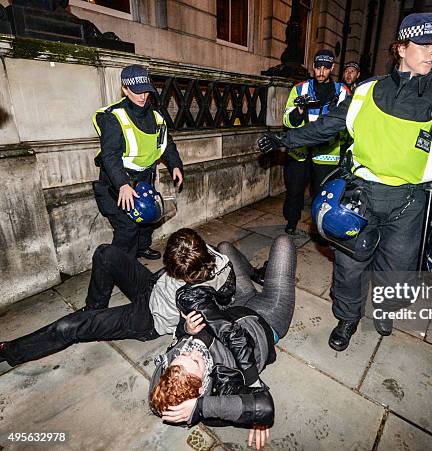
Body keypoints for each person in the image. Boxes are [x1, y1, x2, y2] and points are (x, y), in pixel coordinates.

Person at [259, 13, 432, 351]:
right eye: (424, 44)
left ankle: (385, 309)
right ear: (400, 48)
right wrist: (284, 140)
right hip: (362, 196)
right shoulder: (367, 91)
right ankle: (347, 318)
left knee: (396, 272)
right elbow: (328, 125)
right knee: (350, 268)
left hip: (411, 203)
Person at [0, 228, 234, 367]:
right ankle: (94, 308)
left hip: (148, 318)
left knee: (68, 327)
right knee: (105, 253)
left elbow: (209, 329)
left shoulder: (202, 295)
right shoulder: (201, 250)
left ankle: (9, 351)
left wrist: (187, 328)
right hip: (151, 288)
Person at [149, 234, 296, 450]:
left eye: (182, 356)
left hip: (236, 305)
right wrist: (206, 408)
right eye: (196, 362)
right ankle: (264, 279)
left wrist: (185, 329)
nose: (192, 351)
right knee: (284, 242)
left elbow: (179, 345)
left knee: (224, 246)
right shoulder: (223, 385)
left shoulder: (167, 375)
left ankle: (256, 274)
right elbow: (263, 407)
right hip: (268, 318)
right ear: (202, 390)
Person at [93, 64, 184, 259]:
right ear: (125, 89)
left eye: (146, 91)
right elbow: (110, 156)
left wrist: (176, 165)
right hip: (117, 182)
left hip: (144, 179)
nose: (143, 97)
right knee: (127, 229)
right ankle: (117, 267)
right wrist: (123, 185)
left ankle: (142, 248)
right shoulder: (113, 117)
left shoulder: (157, 117)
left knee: (148, 219)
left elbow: (167, 144)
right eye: (137, 92)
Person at [282, 49, 350, 234]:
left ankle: (319, 227)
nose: (321, 71)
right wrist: (300, 110)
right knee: (294, 190)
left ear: (332, 68)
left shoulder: (343, 91)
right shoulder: (300, 88)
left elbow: (347, 124)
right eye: (318, 67)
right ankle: (291, 222)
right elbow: (287, 121)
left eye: (326, 68)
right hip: (300, 151)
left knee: (322, 194)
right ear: (313, 67)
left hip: (327, 154)